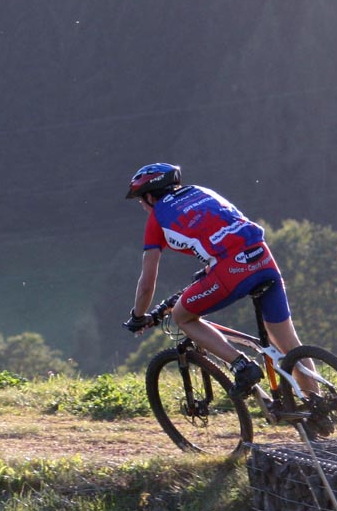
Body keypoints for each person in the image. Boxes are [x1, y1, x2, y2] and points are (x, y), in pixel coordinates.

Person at [121, 162, 306, 399]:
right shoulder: (202, 192)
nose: (141, 205)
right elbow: (227, 233)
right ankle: (320, 404)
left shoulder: (158, 217)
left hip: (231, 269)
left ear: (149, 197)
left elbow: (147, 282)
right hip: (263, 257)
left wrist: (138, 316)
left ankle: (242, 366)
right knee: (288, 343)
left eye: (140, 200)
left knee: (182, 316)